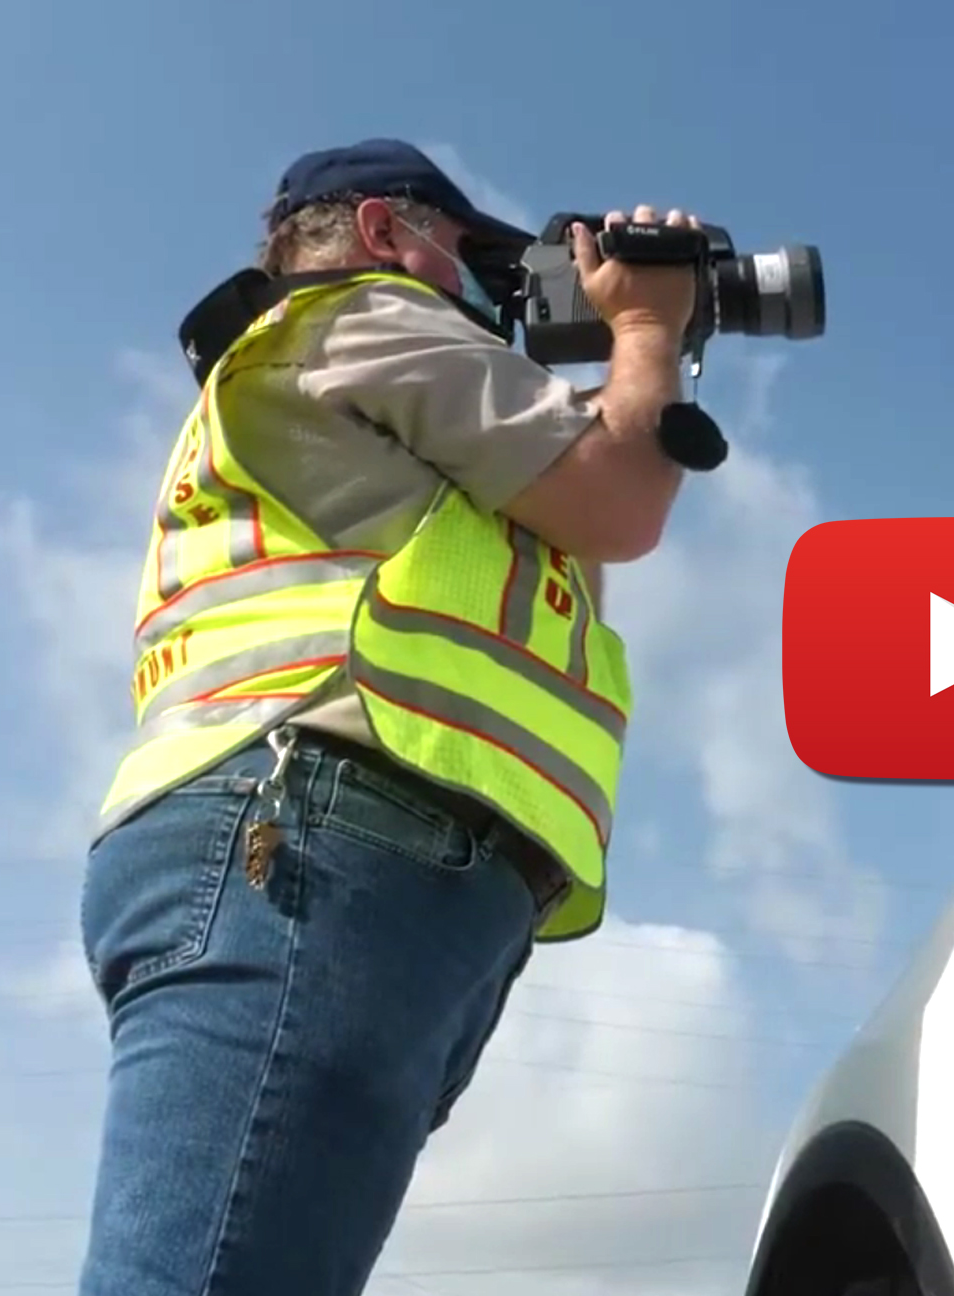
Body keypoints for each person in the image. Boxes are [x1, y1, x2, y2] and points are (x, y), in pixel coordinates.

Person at [75, 139, 701, 1296]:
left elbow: (573, 524)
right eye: (479, 258)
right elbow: (619, 500)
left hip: (348, 847)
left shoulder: (376, 397)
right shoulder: (365, 315)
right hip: (316, 831)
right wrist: (649, 330)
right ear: (381, 233)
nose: (502, 293)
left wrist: (631, 359)